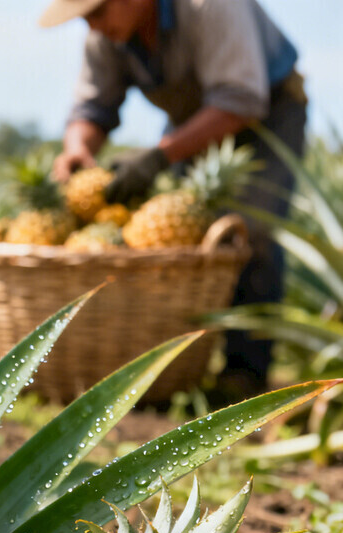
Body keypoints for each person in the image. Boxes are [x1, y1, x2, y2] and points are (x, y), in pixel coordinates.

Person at [42, 0, 308, 401]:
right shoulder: (106, 36)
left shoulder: (209, 6)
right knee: (185, 240)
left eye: (97, 11)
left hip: (268, 113)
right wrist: (77, 148)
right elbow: (93, 108)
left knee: (252, 231)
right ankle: (179, 365)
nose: (92, 25)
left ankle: (245, 374)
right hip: (193, 122)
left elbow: (241, 99)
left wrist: (158, 157)